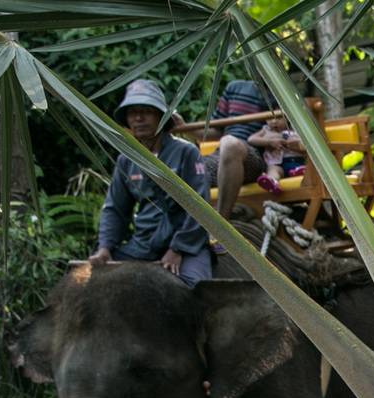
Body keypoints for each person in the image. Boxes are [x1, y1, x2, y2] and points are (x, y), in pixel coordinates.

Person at [90, 80, 213, 286]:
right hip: (143, 244)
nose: (138, 118)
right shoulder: (126, 160)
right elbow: (115, 209)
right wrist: (105, 247)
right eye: (132, 112)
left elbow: (200, 207)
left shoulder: (186, 152)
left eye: (146, 111)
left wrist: (177, 250)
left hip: (185, 242)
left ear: (161, 116)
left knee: (194, 288)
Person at [204, 78, 271, 218]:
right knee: (187, 164)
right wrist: (182, 126)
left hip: (256, 157)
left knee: (230, 145)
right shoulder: (234, 87)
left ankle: (221, 224)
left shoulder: (283, 92)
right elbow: (215, 131)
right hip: (221, 155)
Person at [250, 110, 306, 194]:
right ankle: (272, 182)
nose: (274, 121)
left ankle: (297, 172)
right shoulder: (266, 130)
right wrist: (268, 142)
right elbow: (251, 139)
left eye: (279, 118)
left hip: (294, 160)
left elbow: (304, 144)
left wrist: (293, 142)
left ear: (287, 118)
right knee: (273, 170)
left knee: (298, 167)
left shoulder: (294, 130)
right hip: (275, 164)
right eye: (270, 118)